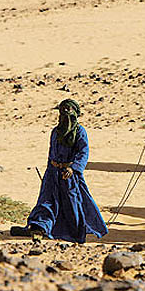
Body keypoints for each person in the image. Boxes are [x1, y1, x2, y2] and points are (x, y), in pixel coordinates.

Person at [11, 99, 108, 243]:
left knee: (72, 203)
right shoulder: (55, 132)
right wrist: (50, 172)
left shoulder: (80, 132)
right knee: (47, 201)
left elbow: (83, 152)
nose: (65, 116)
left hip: (69, 175)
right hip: (53, 173)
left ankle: (75, 233)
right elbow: (51, 153)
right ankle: (40, 227)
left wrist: (72, 168)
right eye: (62, 112)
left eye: (68, 113)